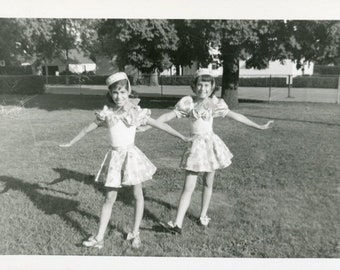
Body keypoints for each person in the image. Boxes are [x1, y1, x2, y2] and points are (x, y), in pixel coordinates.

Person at [60, 72, 191, 249]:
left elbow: (161, 125)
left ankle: (135, 233)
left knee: (138, 195)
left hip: (131, 157)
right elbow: (87, 129)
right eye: (115, 92)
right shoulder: (108, 113)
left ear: (128, 91)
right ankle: (99, 237)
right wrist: (70, 142)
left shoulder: (136, 112)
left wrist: (181, 137)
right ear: (110, 93)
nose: (119, 96)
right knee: (109, 197)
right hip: (115, 159)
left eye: (122, 92)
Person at [138, 69, 274, 234]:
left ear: (212, 87)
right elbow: (167, 116)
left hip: (210, 146)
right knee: (189, 186)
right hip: (195, 147)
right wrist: (147, 126)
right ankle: (177, 224)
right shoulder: (188, 103)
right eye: (200, 85)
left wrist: (258, 126)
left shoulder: (215, 103)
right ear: (194, 86)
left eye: (207, 85)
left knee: (208, 182)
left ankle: (203, 215)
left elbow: (236, 116)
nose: (203, 89)